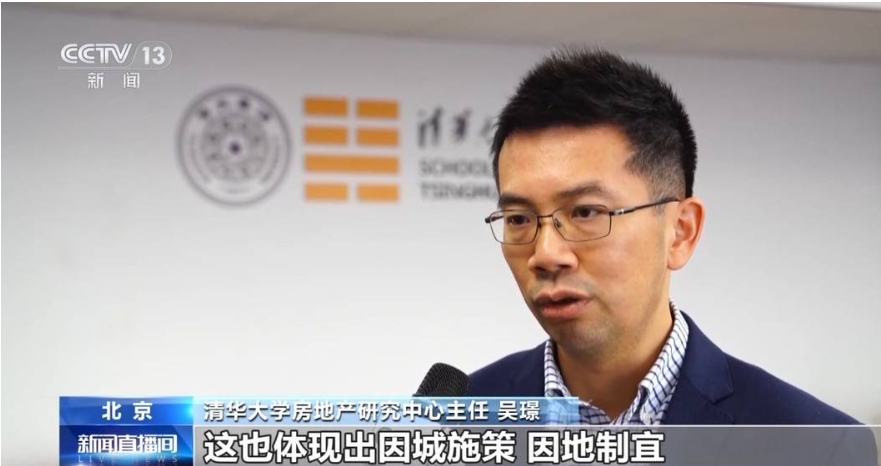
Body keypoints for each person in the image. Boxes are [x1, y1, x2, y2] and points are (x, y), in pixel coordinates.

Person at [467, 47, 860, 426]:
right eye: (519, 219)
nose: (546, 254)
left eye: (585, 212)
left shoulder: (813, 443)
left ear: (680, 232)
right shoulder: (461, 418)